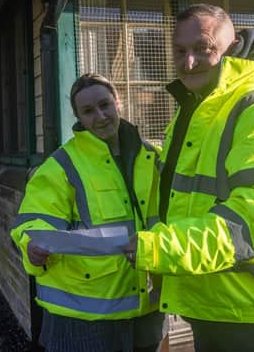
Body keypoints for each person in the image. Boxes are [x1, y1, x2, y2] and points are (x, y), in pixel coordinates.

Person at [123, 4, 254, 352]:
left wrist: (158, 248)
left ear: (231, 51)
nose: (188, 62)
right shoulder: (193, 113)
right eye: (180, 51)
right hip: (214, 299)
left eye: (203, 49)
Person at [10, 73, 168, 352]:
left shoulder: (151, 157)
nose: (100, 116)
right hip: (86, 318)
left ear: (117, 103)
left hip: (148, 305)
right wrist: (31, 246)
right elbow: (32, 221)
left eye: (104, 105)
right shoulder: (61, 165)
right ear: (79, 118)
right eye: (88, 111)